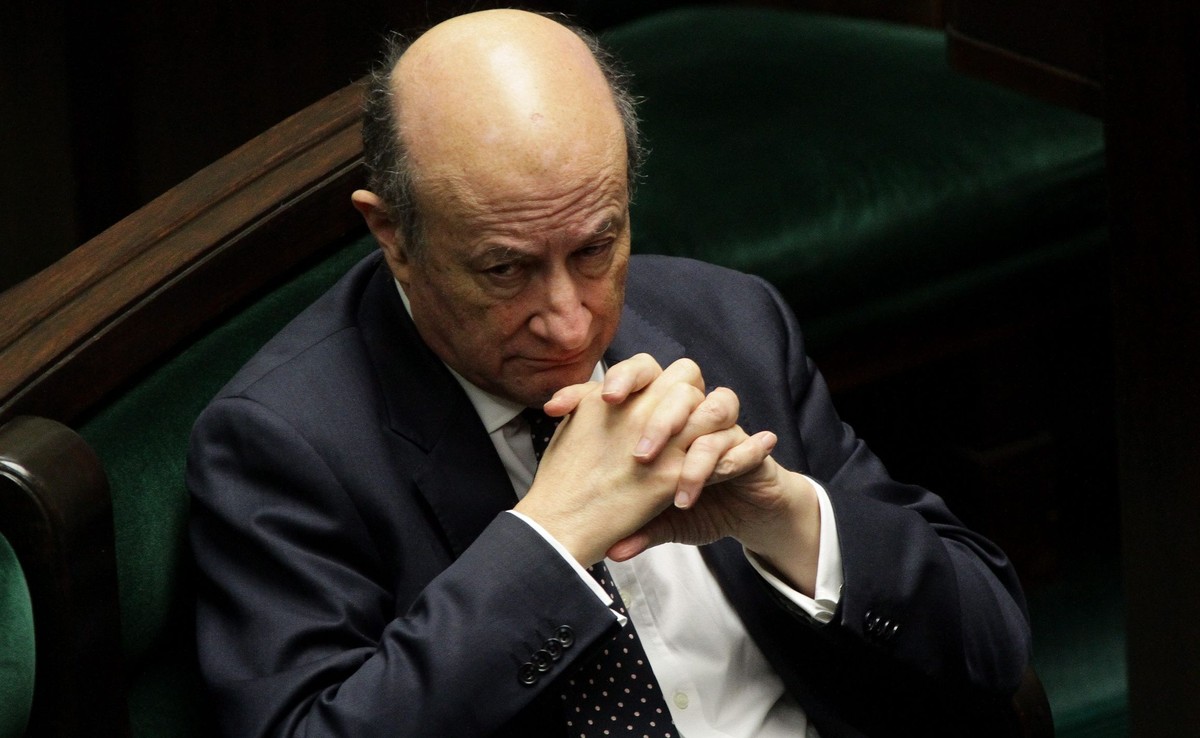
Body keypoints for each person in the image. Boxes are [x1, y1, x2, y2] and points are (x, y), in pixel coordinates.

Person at [186, 9, 1031, 737]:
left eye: (595, 248)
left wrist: (789, 521)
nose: (571, 321)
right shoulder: (284, 442)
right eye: (505, 269)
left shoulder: (727, 321)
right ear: (393, 237)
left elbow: (994, 642)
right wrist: (551, 540)